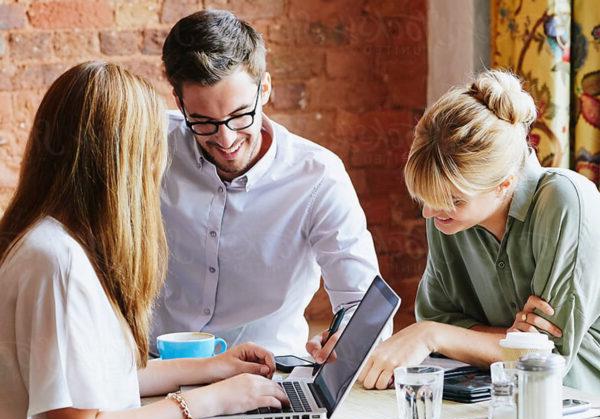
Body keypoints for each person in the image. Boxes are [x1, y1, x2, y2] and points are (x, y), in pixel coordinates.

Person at [0, 61, 287, 419]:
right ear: (122, 160)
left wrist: (212, 368)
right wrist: (210, 400)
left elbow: (97, 379)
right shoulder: (57, 263)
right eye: (154, 146)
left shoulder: (53, 243)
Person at [154, 9, 385, 362]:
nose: (225, 139)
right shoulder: (149, 147)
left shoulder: (318, 178)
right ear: (179, 102)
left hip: (266, 374)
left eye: (239, 116)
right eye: (202, 122)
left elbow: (363, 303)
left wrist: (347, 337)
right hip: (158, 369)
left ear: (265, 89)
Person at [359, 70, 600, 393]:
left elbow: (545, 358)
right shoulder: (448, 217)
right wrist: (507, 339)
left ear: (504, 184)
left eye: (453, 200)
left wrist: (432, 334)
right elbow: (441, 314)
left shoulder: (565, 202)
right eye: (425, 198)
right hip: (497, 398)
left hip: (579, 406)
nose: (429, 213)